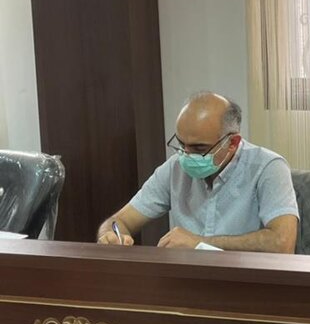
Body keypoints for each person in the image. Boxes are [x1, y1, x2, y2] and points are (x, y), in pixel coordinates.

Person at [97, 92, 298, 253]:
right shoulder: (175, 167)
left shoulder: (268, 167)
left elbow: (282, 243)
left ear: (232, 143)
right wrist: (111, 236)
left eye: (199, 148)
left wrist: (200, 243)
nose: (187, 155)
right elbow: (120, 220)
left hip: (247, 281)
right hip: (186, 282)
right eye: (181, 144)